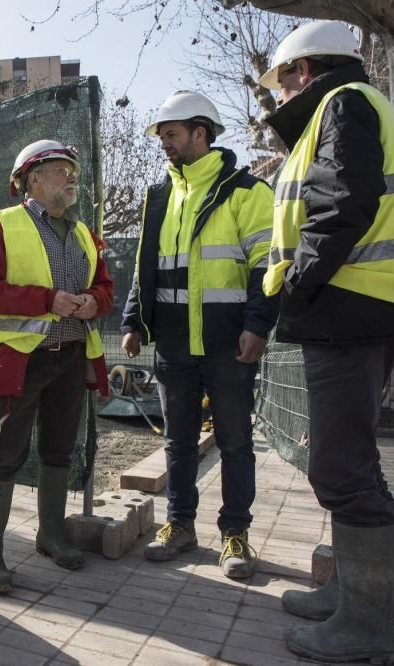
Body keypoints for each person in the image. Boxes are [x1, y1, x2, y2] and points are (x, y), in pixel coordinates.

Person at [260, 21, 394, 662]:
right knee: (349, 456)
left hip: (349, 303)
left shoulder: (343, 104)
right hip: (362, 302)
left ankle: (366, 625)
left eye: (282, 81)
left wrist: (297, 286)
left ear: (305, 70)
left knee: (341, 465)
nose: (279, 96)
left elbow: (340, 204)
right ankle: (353, 601)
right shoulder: (352, 106)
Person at [120, 91, 276, 579]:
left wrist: (257, 325)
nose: (164, 144)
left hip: (229, 346)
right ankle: (180, 525)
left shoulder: (247, 193)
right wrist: (132, 321)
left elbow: (267, 266)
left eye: (171, 135)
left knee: (234, 443)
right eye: (163, 136)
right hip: (172, 347)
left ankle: (235, 535)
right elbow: (146, 270)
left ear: (200, 133)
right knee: (178, 444)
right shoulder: (159, 198)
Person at [0, 140, 113, 593]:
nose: (71, 177)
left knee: (58, 451)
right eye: (61, 170)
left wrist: (94, 302)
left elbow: (105, 287)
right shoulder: (4, 225)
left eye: (72, 170)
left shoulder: (85, 233)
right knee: (5, 455)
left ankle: (50, 536)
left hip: (70, 358)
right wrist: (47, 301)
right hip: (20, 361)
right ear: (33, 179)